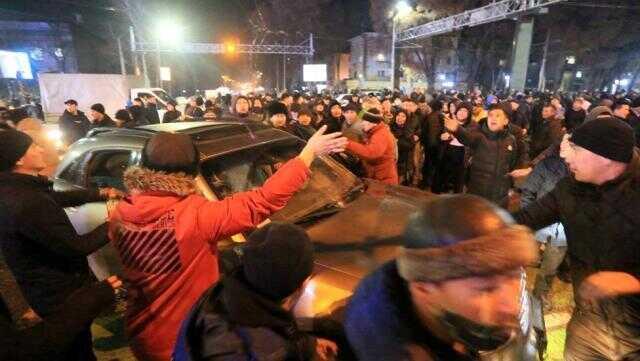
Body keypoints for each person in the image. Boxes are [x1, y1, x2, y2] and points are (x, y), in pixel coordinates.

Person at [107, 126, 346, 361]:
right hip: (182, 338)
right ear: (191, 172)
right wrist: (307, 154)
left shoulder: (121, 212)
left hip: (141, 331)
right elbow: (261, 201)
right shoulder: (196, 216)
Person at [345, 194, 539, 361]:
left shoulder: (441, 315)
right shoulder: (388, 349)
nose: (512, 306)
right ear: (423, 289)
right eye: (486, 289)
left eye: (515, 276)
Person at [515, 117, 640, 360]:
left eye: (575, 149)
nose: (567, 157)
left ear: (605, 157)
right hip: (588, 327)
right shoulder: (569, 189)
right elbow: (523, 218)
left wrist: (630, 282)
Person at [0, 130, 123, 360]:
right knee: (74, 346)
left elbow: (57, 198)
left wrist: (99, 193)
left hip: (41, 286)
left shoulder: (18, 188)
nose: (41, 149)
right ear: (19, 158)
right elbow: (78, 246)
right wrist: (113, 220)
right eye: (33, 146)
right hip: (59, 293)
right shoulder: (28, 202)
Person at [173, 223, 342, 361]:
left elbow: (274, 325)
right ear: (299, 286)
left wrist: (308, 346)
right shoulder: (266, 351)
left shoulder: (222, 293)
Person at [444, 103, 528, 208]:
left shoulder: (511, 140)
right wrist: (457, 129)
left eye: (498, 116)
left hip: (500, 196)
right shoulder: (480, 136)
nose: (493, 118)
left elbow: (514, 161)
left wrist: (514, 177)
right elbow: (467, 137)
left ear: (506, 121)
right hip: (478, 193)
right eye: (490, 115)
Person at [519, 147, 569, 310]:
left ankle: (539, 296)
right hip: (538, 221)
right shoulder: (548, 165)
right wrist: (529, 218)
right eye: (565, 143)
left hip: (562, 230)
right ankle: (514, 289)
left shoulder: (586, 173)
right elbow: (529, 191)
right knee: (522, 258)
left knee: (551, 266)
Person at [345, 110, 399, 185]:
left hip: (384, 180)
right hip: (379, 177)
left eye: (363, 121)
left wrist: (347, 144)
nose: (361, 124)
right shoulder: (373, 132)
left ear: (372, 122)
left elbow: (371, 153)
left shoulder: (381, 134)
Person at [432, 103, 475, 194]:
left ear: (469, 114)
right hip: (447, 150)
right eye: (460, 110)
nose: (462, 113)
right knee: (441, 176)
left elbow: (473, 142)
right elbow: (438, 136)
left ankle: (456, 199)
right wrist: (442, 137)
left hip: (462, 154)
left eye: (465, 111)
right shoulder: (448, 121)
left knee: (458, 180)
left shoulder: (473, 126)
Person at [391, 110, 417, 185]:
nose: (400, 118)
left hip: (403, 159)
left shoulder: (408, 129)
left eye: (403, 116)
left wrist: (397, 141)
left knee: (400, 178)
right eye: (398, 115)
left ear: (406, 119)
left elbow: (411, 145)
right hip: (391, 158)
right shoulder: (390, 127)